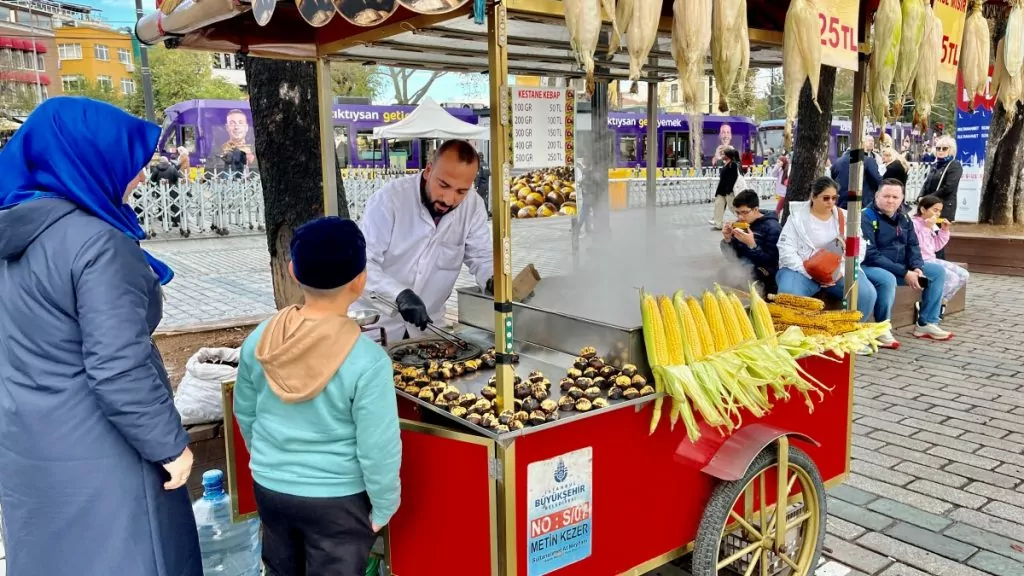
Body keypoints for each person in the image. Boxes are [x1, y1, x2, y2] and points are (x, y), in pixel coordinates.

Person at [0, 97, 201, 576]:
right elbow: (118, 367)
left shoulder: (16, 233)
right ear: (87, 159)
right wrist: (170, 446)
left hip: (29, 445)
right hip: (102, 456)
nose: (140, 177)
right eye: (131, 163)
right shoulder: (97, 244)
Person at [234, 216, 401, 576]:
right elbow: (378, 447)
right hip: (338, 501)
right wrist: (386, 504)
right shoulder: (368, 361)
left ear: (293, 271)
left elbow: (244, 411)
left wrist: (268, 460)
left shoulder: (261, 339)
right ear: (361, 281)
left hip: (271, 489)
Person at [357, 139, 493, 343]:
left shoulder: (473, 206)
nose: (449, 199)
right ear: (429, 170)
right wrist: (399, 295)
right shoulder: (389, 200)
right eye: (444, 185)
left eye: (461, 191)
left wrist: (492, 280)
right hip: (378, 322)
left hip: (429, 326)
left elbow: (482, 257)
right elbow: (362, 264)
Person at [862, 180, 953, 344]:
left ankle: (927, 322)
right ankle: (882, 328)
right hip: (871, 267)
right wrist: (904, 273)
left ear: (902, 198)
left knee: (937, 272)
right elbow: (871, 255)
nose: (891, 201)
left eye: (895, 197)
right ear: (877, 196)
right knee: (886, 279)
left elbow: (913, 245)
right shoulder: (866, 216)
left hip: (901, 267)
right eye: (886, 196)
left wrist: (916, 267)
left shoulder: (904, 218)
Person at [776, 176, 877, 322]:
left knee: (866, 294)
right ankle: (793, 335)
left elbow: (858, 248)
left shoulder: (847, 217)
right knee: (789, 295)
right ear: (813, 196)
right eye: (826, 198)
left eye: (834, 198)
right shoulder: (796, 218)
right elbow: (786, 249)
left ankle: (853, 335)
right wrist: (809, 272)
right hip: (800, 270)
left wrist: (838, 272)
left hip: (837, 272)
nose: (831, 202)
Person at [911, 195, 970, 312]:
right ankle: (929, 306)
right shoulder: (913, 224)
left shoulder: (930, 224)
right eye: (935, 210)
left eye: (939, 211)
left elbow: (935, 247)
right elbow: (917, 245)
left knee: (964, 275)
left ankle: (940, 303)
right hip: (919, 261)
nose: (938, 214)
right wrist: (927, 228)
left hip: (931, 258)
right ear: (923, 210)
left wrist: (944, 231)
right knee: (952, 278)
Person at [721, 190, 782, 294]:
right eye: (738, 213)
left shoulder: (773, 228)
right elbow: (732, 257)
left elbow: (772, 262)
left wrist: (752, 245)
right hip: (744, 267)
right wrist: (727, 240)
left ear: (755, 209)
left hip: (764, 273)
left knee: (739, 276)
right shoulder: (741, 223)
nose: (740, 217)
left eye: (744, 212)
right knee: (724, 274)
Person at [920, 135, 963, 223]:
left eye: (944, 148)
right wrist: (920, 196)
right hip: (929, 206)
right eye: (938, 148)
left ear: (951, 150)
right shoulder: (935, 165)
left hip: (943, 208)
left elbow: (948, 187)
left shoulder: (954, 165)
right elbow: (926, 183)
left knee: (939, 234)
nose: (940, 151)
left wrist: (928, 198)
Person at [710, 147, 740, 230]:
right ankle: (718, 223)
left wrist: (729, 189)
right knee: (718, 205)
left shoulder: (733, 164)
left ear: (728, 156)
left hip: (728, 190)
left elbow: (733, 178)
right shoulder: (725, 163)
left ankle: (744, 218)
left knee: (732, 206)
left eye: (723, 154)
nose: (722, 155)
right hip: (721, 189)